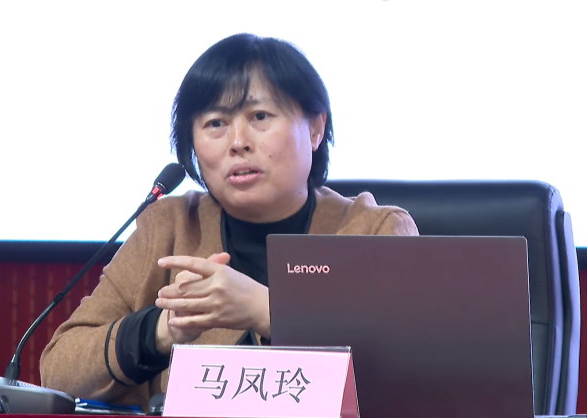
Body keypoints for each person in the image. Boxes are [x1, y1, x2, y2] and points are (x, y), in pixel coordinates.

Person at [39, 32, 419, 409]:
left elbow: (414, 372)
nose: (238, 141)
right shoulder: (168, 228)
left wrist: (267, 310)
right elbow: (59, 369)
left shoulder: (373, 231)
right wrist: (162, 328)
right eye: (215, 123)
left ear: (316, 128)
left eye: (260, 116)